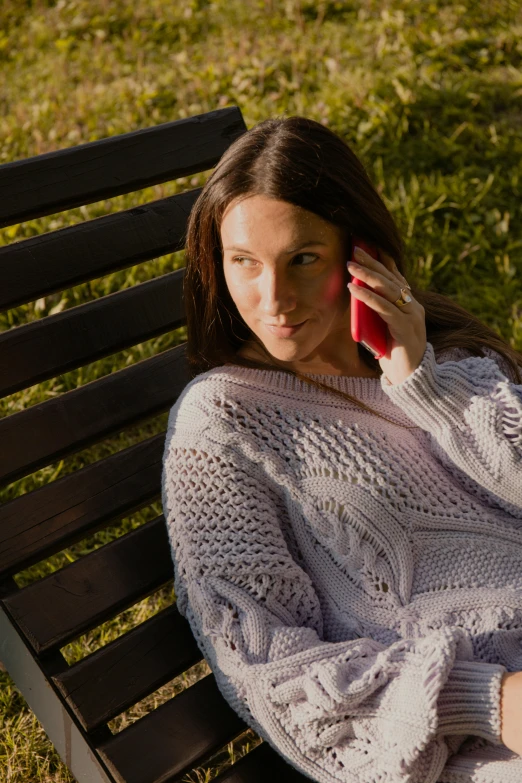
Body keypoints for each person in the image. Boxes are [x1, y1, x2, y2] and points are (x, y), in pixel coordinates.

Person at [161, 115, 522, 783]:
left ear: (360, 253)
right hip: (473, 742)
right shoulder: (222, 424)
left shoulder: (450, 357)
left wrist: (423, 383)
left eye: (303, 259)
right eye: (244, 262)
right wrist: (492, 700)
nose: (274, 300)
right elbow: (272, 672)